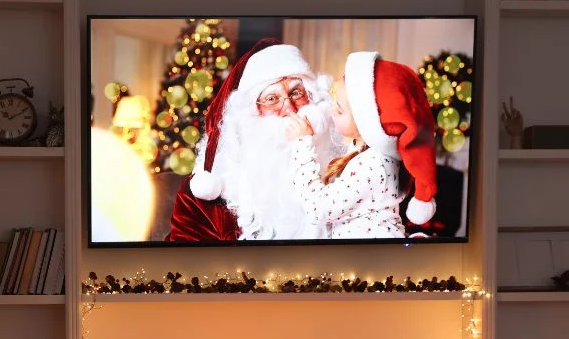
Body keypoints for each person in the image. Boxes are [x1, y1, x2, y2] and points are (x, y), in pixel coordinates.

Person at [168, 39, 344, 242]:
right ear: (250, 112)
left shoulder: (348, 172)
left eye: (296, 92)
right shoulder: (203, 198)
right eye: (271, 99)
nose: (290, 110)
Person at [286, 51, 438, 239]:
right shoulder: (363, 150)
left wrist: (301, 144)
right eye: (334, 99)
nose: (332, 109)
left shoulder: (374, 164)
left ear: (366, 123)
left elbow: (317, 209)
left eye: (340, 110)